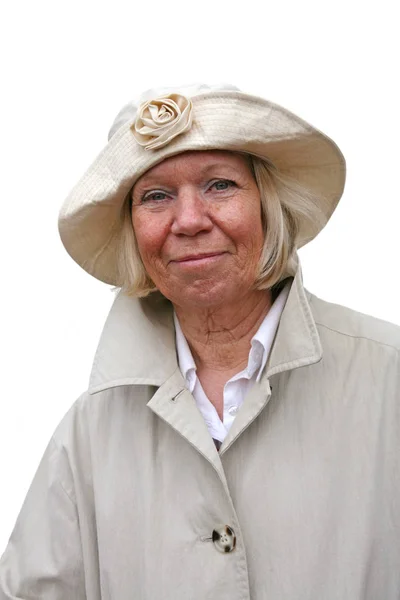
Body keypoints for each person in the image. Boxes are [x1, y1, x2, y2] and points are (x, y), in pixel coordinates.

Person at [0, 83, 399, 599]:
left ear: (267, 206)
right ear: (133, 234)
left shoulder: (388, 377)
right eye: (156, 196)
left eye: (219, 185)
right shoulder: (91, 428)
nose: (188, 221)